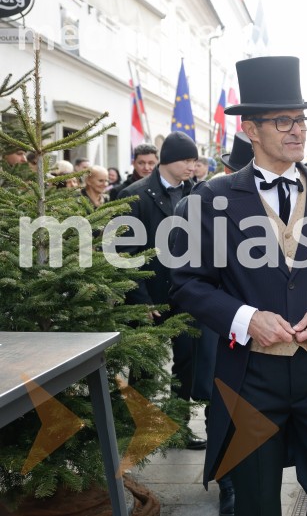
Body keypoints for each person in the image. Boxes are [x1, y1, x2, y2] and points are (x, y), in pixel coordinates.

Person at [170, 56, 307, 516]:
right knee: (255, 501)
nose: (297, 130)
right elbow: (186, 283)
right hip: (250, 376)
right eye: (283, 121)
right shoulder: (213, 198)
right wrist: (247, 319)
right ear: (250, 131)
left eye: (301, 120)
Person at [118, 131, 200, 444]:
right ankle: (142, 426)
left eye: (194, 160)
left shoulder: (198, 194)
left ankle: (180, 425)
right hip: (150, 297)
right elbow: (125, 253)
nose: (192, 166)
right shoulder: (136, 195)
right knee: (145, 365)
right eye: (186, 160)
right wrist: (140, 300)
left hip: (188, 295)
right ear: (167, 161)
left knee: (187, 362)